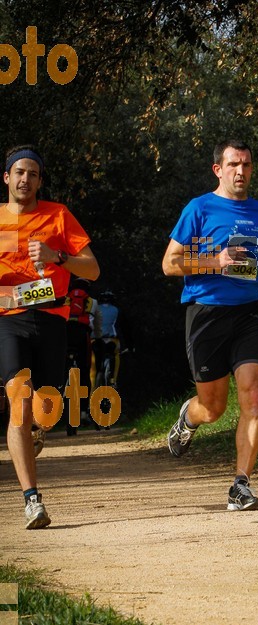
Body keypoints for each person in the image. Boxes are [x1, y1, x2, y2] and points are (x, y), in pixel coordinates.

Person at [162, 139, 258, 511]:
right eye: (234, 164)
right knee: (213, 408)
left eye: (247, 165)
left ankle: (241, 485)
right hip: (207, 314)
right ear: (218, 169)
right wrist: (215, 262)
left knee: (252, 395)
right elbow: (170, 263)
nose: (241, 172)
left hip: (249, 313)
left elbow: (249, 261)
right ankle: (189, 418)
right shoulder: (199, 208)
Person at [0, 145, 99, 528]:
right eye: (19, 172)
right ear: (7, 177)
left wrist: (59, 257)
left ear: (40, 181)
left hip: (52, 318)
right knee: (19, 403)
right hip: (8, 320)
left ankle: (38, 431)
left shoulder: (58, 216)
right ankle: (32, 500)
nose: (26, 179)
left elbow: (92, 270)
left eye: (33, 174)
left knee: (46, 409)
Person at [65, 277, 98, 433]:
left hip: (66, 335)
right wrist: (97, 338)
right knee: (85, 372)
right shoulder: (92, 301)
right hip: (83, 336)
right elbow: (97, 325)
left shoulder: (66, 298)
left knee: (63, 371)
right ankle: (84, 412)